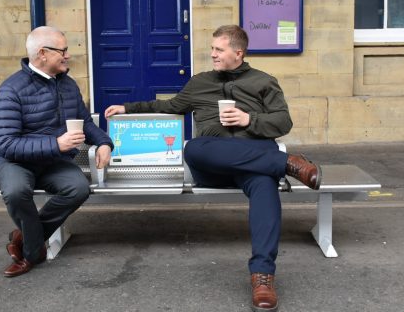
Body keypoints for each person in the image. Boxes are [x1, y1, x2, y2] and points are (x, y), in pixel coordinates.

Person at [104, 24, 321, 312]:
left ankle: (262, 276)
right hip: (213, 162)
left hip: (254, 158)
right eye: (212, 49)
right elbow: (170, 107)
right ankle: (288, 164)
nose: (213, 54)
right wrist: (128, 108)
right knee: (194, 147)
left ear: (238, 53)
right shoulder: (199, 82)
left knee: (264, 184)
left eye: (219, 49)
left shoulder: (264, 82)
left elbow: (283, 123)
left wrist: (248, 120)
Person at [0, 26, 113, 277]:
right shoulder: (11, 89)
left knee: (78, 188)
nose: (68, 55)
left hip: (52, 162)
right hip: (14, 162)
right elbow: (6, 144)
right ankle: (32, 253)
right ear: (43, 53)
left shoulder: (68, 85)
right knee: (16, 191)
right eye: (63, 50)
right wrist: (56, 144)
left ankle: (25, 238)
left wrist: (103, 143)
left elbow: (85, 122)